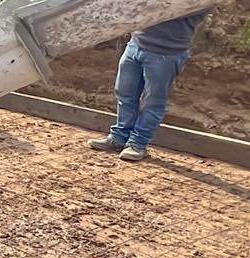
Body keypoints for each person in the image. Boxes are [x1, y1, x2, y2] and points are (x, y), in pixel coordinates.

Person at [88, 13, 207, 162]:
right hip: (136, 44)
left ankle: (137, 144)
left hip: (165, 53)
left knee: (153, 102)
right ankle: (118, 138)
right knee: (125, 94)